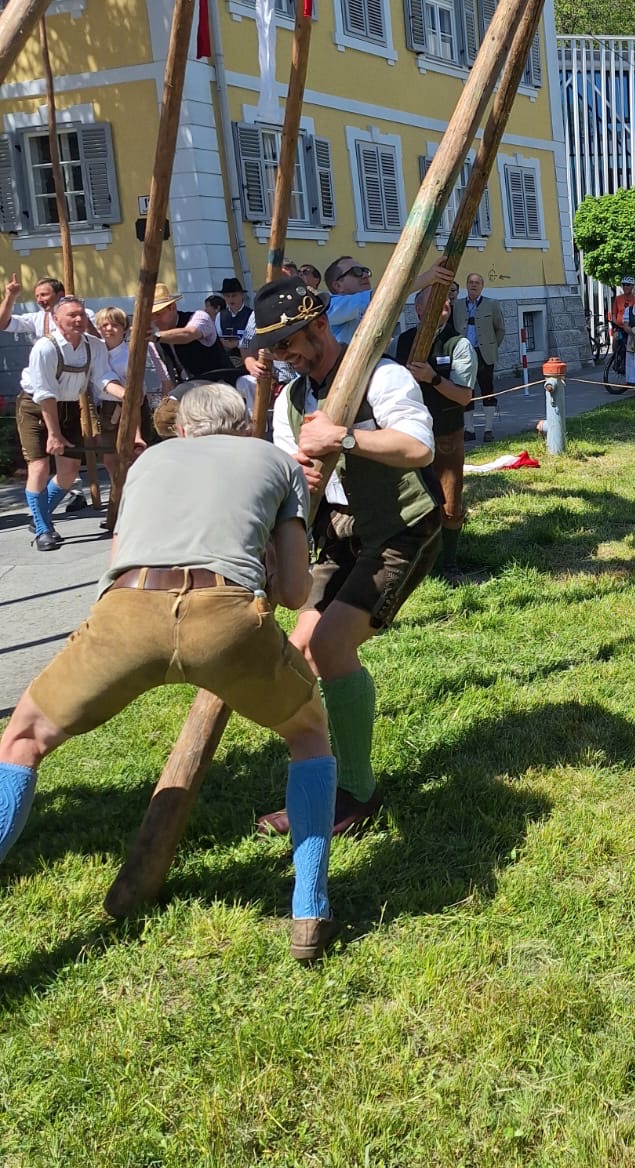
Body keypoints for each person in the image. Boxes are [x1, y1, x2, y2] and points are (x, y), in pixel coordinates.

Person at [0, 382, 338, 963]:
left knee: (22, 739)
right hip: (225, 619)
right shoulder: (278, 463)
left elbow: (115, 565)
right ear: (244, 427)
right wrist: (291, 518)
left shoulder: (146, 463)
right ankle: (310, 907)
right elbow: (291, 591)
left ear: (181, 429)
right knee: (308, 732)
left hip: (127, 611)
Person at [253, 273, 442, 839]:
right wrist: (297, 477)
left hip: (401, 528)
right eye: (272, 348)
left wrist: (345, 438)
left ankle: (357, 791)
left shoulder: (382, 375)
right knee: (296, 653)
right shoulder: (290, 400)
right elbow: (291, 471)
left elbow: (419, 447)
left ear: (318, 326)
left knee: (332, 644)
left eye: (287, 343)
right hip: (337, 533)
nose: (282, 356)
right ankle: (319, 775)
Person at [17, 295, 124, 550]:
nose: (78, 319)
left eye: (81, 315)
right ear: (56, 320)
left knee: (69, 470)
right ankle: (43, 530)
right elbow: (44, 393)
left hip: (68, 407)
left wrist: (126, 395)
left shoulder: (94, 346)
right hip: (36, 407)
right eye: (72, 315)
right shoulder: (45, 347)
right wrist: (53, 434)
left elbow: (103, 377)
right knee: (39, 467)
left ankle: (40, 514)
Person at [395, 285, 479, 584]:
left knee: (449, 497)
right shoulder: (403, 341)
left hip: (445, 434)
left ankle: (449, 563)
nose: (444, 303)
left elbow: (464, 397)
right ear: (419, 309)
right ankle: (414, 561)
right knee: (409, 499)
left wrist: (432, 378)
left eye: (446, 300)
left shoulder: (458, 345)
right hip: (407, 435)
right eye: (434, 299)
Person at [94, 304, 162, 487]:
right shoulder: (97, 350)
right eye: (104, 325)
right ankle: (119, 490)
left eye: (115, 325)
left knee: (134, 455)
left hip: (133, 409)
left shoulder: (129, 355)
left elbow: (136, 397)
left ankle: (140, 489)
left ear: (124, 329)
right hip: (108, 409)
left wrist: (136, 432)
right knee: (109, 459)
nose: (109, 329)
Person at [453, 272, 506, 442]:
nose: (473, 285)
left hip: (484, 354)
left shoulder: (492, 304)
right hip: (464, 356)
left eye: (477, 283)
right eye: (470, 282)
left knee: (487, 391)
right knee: (466, 390)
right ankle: (469, 429)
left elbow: (500, 329)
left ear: (482, 286)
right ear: (466, 285)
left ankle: (488, 429)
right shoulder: (458, 306)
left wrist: (491, 346)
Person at [151, 284, 240, 384]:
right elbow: (168, 378)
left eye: (158, 314)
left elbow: (189, 334)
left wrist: (156, 336)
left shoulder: (200, 317)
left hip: (222, 385)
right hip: (192, 389)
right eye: (150, 316)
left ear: (173, 307)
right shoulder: (158, 337)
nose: (154, 320)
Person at [324, 255, 373, 343]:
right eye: (356, 271)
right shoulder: (330, 306)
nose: (365, 275)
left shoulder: (369, 304)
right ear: (338, 286)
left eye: (365, 271)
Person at [217, 278, 252, 355]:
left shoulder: (251, 314)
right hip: (227, 356)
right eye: (227, 296)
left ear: (242, 295)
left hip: (248, 356)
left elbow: (255, 339)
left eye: (234, 295)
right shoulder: (220, 316)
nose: (231, 299)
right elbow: (219, 336)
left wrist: (238, 343)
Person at [608, 276, 635, 375]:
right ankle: (616, 357)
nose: (625, 287)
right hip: (619, 327)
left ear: (632, 286)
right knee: (616, 338)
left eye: (628, 285)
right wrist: (615, 323)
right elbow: (614, 313)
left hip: (630, 327)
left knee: (631, 344)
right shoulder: (618, 299)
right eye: (623, 285)